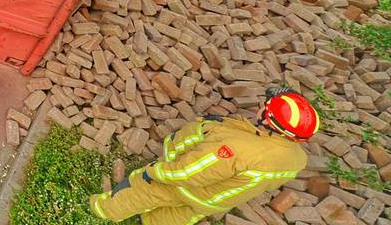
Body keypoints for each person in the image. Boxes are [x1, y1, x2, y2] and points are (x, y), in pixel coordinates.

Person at [90, 87, 315, 225]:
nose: (260, 106)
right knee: (177, 217)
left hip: (184, 186)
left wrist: (153, 173)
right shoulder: (295, 158)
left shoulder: (237, 149)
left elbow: (188, 173)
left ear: (269, 121)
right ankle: (149, 221)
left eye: (265, 107)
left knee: (140, 192)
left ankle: (100, 210)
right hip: (212, 200)